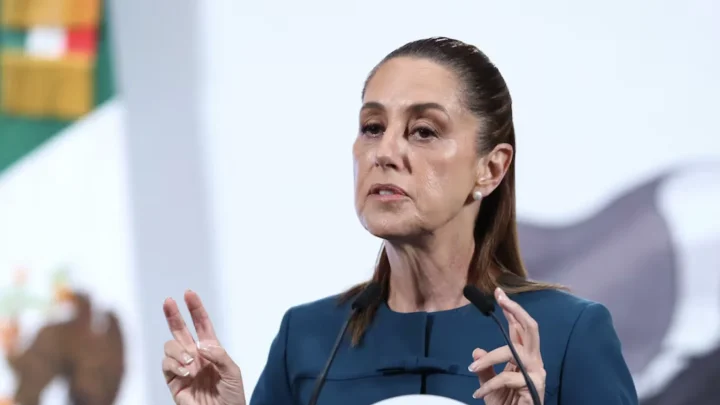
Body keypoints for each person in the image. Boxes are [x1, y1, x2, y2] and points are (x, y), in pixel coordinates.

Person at [160, 37, 639, 405]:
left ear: (490, 169)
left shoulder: (567, 333)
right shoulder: (305, 338)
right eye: (372, 127)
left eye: (423, 131)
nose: (384, 152)